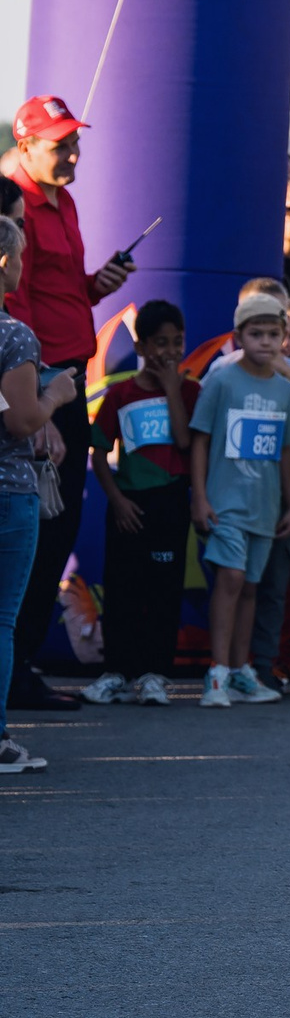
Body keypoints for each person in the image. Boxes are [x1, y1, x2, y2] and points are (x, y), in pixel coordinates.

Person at [7, 98, 134, 711]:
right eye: (60, 145)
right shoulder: (14, 205)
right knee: (35, 529)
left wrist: (95, 286)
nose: (73, 155)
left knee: (55, 528)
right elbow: (16, 300)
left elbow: (59, 289)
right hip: (43, 384)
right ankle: (14, 672)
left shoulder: (65, 200)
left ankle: (20, 667)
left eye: (75, 142)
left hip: (70, 380)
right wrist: (40, 393)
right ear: (24, 143)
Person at [188, 293, 290, 707]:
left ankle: (240, 670)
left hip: (265, 506)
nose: (266, 342)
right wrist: (199, 498)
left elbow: (286, 451)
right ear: (238, 337)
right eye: (257, 334)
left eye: (274, 334)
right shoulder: (220, 381)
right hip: (225, 503)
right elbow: (200, 440)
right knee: (231, 580)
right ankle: (216, 673)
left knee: (251, 586)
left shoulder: (287, 393)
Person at [83, 301, 197, 707]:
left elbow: (186, 443)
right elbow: (98, 451)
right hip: (128, 504)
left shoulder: (188, 391)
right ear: (142, 346)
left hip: (170, 501)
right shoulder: (121, 393)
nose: (169, 351)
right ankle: (116, 671)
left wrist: (171, 390)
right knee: (123, 589)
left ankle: (154, 674)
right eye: (160, 343)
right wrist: (116, 500)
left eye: (177, 342)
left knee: (163, 589)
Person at [0, 218, 73, 767]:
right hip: (8, 487)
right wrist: (56, 395)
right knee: (2, 619)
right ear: (6, 263)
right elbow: (23, 421)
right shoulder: (14, 335)